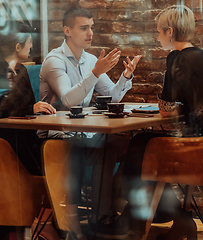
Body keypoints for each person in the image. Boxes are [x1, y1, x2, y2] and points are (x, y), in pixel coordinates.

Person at [122, 5, 203, 240]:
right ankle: (161, 216)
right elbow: (199, 100)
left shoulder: (176, 58)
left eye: (158, 32)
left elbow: (165, 111)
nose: (157, 38)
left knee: (140, 144)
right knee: (143, 144)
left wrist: (169, 97)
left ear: (169, 32)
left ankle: (164, 216)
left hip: (194, 144)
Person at [39, 7, 141, 240]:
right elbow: (67, 99)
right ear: (67, 30)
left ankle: (102, 215)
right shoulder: (54, 61)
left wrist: (125, 77)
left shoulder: (91, 60)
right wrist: (94, 74)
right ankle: (89, 217)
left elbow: (111, 98)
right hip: (55, 137)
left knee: (122, 145)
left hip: (82, 133)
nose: (90, 33)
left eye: (91, 27)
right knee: (101, 145)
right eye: (84, 28)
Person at [0, 21, 56, 175]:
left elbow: (26, 108)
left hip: (23, 138)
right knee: (56, 154)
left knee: (62, 147)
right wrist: (32, 108)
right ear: (17, 46)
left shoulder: (20, 72)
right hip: (5, 142)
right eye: (29, 42)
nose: (31, 47)